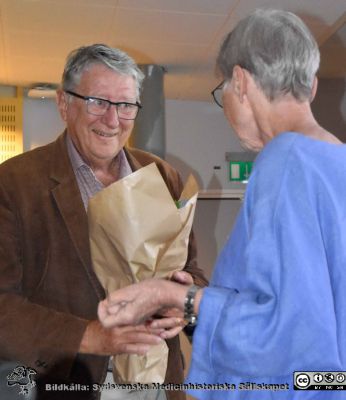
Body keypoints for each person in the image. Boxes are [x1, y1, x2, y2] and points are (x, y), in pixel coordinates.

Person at [98, 9, 346, 400]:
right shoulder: (336, 162)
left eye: (223, 91)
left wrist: (173, 296)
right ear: (312, 86)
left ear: (241, 82)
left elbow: (290, 341)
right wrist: (197, 307)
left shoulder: (284, 162)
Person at [0, 44, 208, 400]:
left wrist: (184, 300)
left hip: (156, 378)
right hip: (67, 381)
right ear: (64, 104)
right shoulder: (14, 182)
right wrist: (92, 336)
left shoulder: (162, 176)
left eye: (126, 105)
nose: (113, 120)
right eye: (98, 101)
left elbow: (192, 269)